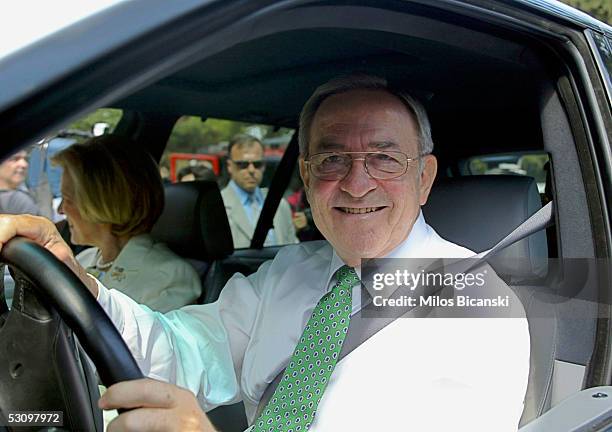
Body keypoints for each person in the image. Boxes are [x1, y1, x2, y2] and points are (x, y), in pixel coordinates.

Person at [0, 75, 529, 431]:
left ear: (424, 178)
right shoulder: (289, 271)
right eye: (331, 159)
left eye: (384, 159)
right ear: (305, 176)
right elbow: (182, 352)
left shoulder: (478, 305)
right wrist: (77, 282)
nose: (356, 183)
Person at [52, 135, 202, 313]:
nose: (61, 209)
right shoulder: (83, 260)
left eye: (68, 199)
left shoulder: (170, 277)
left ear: (102, 203)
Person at [221, 134, 298, 248]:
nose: (251, 170)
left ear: (264, 165)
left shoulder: (280, 204)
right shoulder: (217, 206)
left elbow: (292, 247)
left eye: (257, 164)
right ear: (229, 166)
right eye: (243, 165)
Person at [0, 150, 41, 216]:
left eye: (26, 159)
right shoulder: (18, 200)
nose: (24, 164)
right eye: (14, 159)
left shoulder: (21, 200)